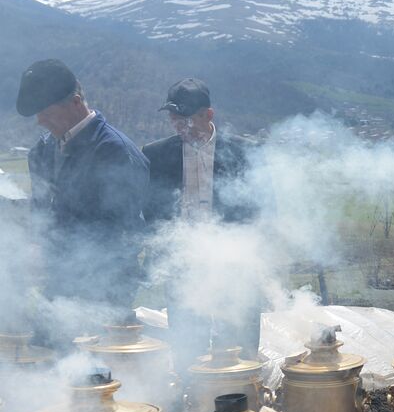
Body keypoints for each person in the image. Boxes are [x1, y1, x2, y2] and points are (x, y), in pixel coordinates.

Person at [16, 59, 148, 344]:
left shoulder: (114, 151)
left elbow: (125, 234)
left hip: (102, 290)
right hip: (55, 287)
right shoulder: (41, 151)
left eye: (47, 111)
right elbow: (40, 213)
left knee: (99, 377)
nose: (40, 120)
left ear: (76, 102)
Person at [141, 77, 260, 371]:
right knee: (187, 343)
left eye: (187, 121)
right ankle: (190, 396)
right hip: (182, 260)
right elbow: (151, 211)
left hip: (233, 261)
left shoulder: (246, 153)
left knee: (237, 342)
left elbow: (260, 210)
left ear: (208, 115)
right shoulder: (155, 154)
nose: (182, 129)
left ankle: (243, 400)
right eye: (175, 122)